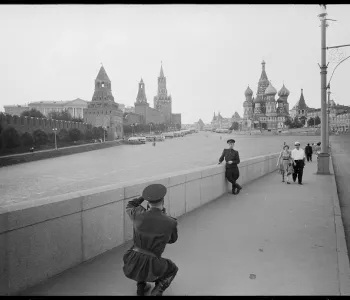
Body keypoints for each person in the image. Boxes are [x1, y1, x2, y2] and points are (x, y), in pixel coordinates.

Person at [123, 184, 178, 296]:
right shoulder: (170, 222)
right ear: (163, 201)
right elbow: (172, 240)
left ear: (148, 202)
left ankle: (141, 288)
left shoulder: (137, 214)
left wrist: (143, 196)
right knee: (172, 269)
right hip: (152, 264)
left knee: (142, 257)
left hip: (131, 259)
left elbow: (130, 205)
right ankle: (157, 291)